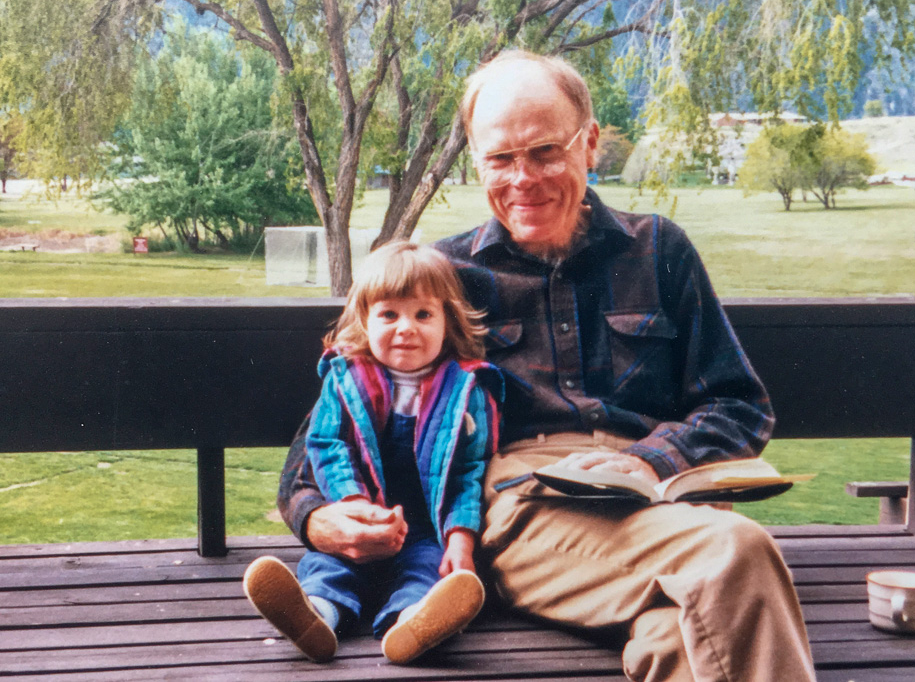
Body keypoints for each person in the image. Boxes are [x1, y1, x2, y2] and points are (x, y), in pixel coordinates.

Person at [278, 50, 817, 680]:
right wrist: (319, 516)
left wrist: (649, 458)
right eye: (500, 159)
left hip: (660, 511)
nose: (522, 178)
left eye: (544, 152)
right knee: (736, 552)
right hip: (524, 506)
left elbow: (738, 404)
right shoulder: (443, 280)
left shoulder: (658, 250)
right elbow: (332, 419)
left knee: (677, 635)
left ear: (589, 144)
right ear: (476, 162)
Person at [245, 241, 502, 665]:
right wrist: (353, 504)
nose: (406, 328)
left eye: (423, 314)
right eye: (389, 314)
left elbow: (468, 471)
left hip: (426, 525)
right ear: (365, 320)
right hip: (358, 516)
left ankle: (413, 624)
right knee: (331, 565)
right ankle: (315, 618)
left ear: (447, 322)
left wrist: (461, 539)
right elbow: (326, 443)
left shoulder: (464, 391)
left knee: (429, 569)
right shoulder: (345, 380)